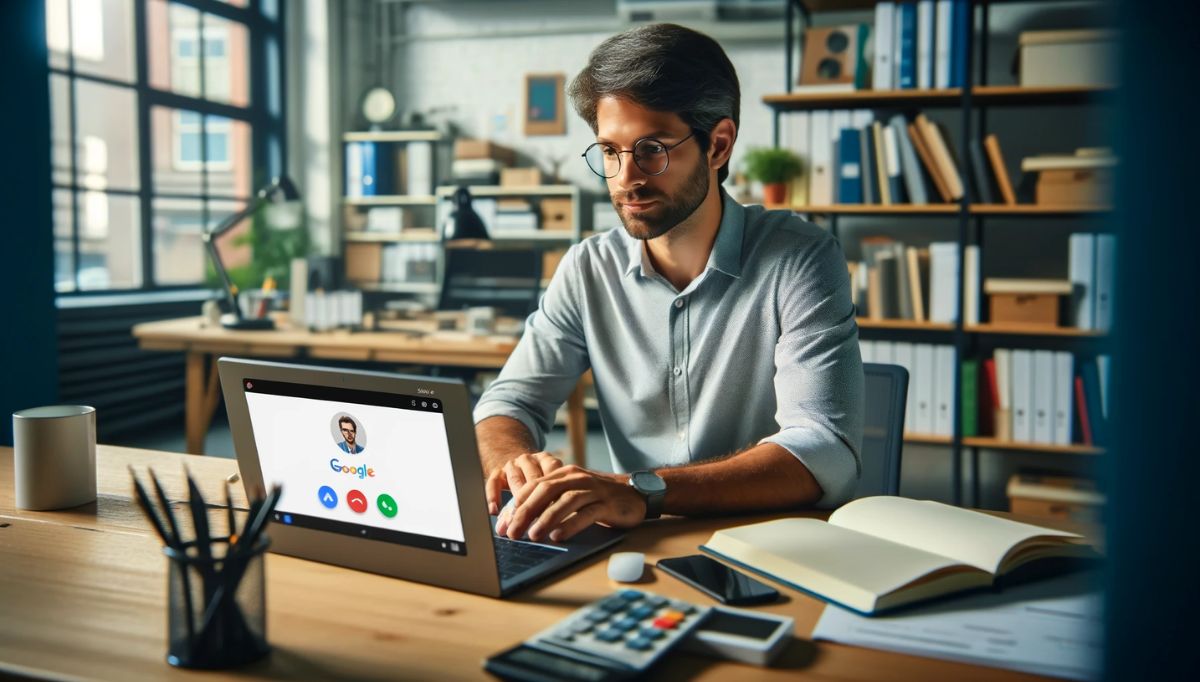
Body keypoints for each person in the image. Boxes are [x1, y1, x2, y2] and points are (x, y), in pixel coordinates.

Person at [474, 23, 863, 544]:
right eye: (609, 152)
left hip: (773, 547)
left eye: (651, 148)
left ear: (718, 145)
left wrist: (639, 491)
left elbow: (823, 450)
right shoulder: (587, 268)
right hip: (636, 547)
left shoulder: (800, 257)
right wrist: (517, 465)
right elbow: (507, 404)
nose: (626, 177)